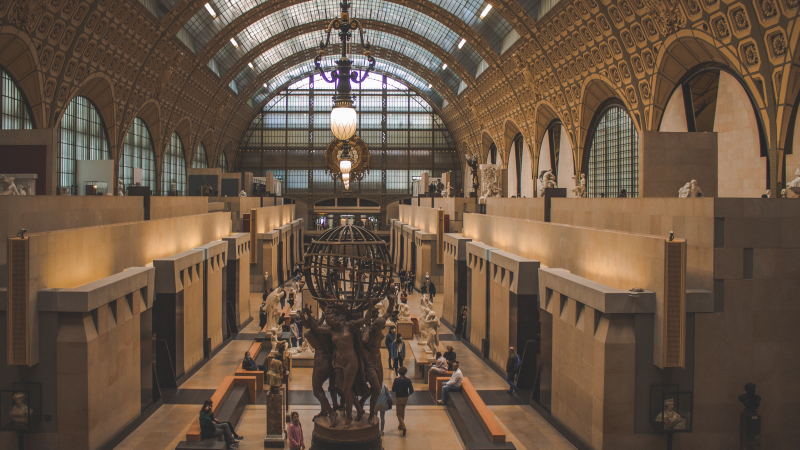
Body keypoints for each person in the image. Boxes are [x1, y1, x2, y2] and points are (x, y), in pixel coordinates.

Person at [391, 366, 414, 436]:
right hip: (405, 397)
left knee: (398, 414)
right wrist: (408, 394)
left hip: (398, 397)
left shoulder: (396, 380)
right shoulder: (408, 380)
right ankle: (400, 425)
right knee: (402, 411)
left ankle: (403, 426)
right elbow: (412, 390)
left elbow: (393, 389)